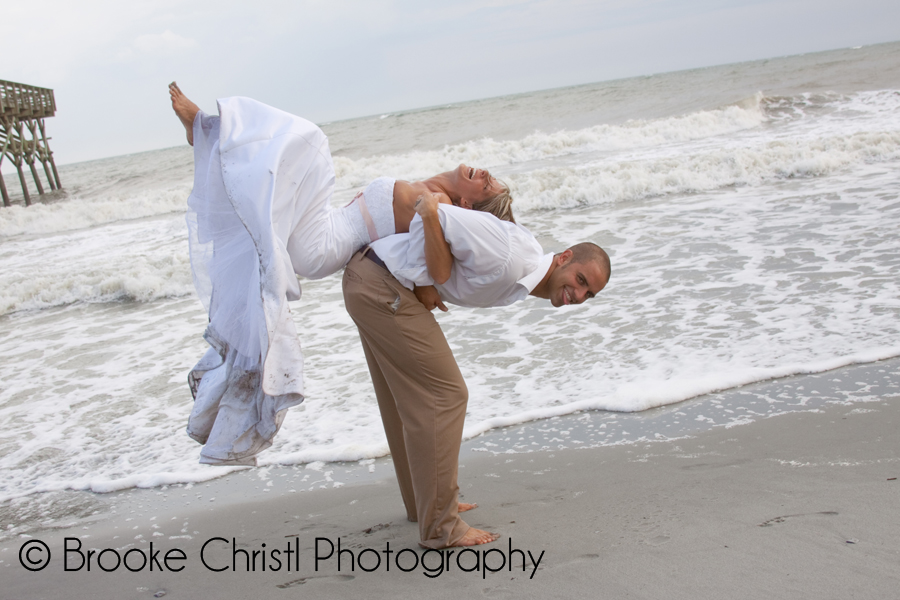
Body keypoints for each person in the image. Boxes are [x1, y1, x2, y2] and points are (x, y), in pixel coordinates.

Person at [168, 83, 515, 466]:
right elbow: (411, 250)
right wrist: (424, 284)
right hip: (325, 227)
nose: (484, 173)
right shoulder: (436, 190)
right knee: (272, 186)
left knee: (308, 145)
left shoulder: (441, 205)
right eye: (490, 176)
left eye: (486, 184)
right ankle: (208, 137)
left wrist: (428, 286)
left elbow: (428, 259)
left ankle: (207, 132)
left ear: (467, 203)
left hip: (321, 245)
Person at [342, 193, 610, 548]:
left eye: (588, 293)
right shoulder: (512, 255)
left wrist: (421, 279)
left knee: (405, 400)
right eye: (580, 279)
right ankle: (441, 526)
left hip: (373, 281)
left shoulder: (521, 271)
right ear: (563, 258)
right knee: (447, 395)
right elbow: (429, 211)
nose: (578, 294)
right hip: (381, 284)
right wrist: (422, 279)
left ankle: (425, 506)